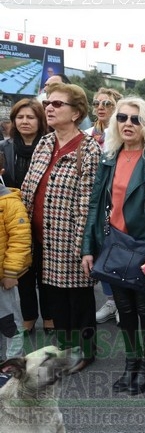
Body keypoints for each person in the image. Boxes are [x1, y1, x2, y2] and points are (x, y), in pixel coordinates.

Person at [81, 97, 145, 395]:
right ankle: (131, 363)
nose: (128, 124)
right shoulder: (109, 156)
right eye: (122, 118)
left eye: (135, 119)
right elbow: (96, 205)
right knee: (124, 308)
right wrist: (88, 247)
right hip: (114, 244)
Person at [21, 83, 102, 372]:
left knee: (78, 299)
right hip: (40, 236)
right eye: (48, 104)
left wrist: (85, 247)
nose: (50, 108)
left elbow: (87, 204)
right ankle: (66, 350)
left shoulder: (89, 149)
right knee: (54, 297)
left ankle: (86, 352)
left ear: (77, 112)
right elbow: (30, 187)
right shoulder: (44, 143)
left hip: (71, 238)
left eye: (58, 104)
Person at [3, 99, 52, 335]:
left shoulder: (50, 146)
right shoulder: (5, 147)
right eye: (20, 117)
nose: (24, 121)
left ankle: (50, 316)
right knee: (22, 270)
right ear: (13, 121)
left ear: (40, 121)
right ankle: (29, 317)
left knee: (46, 269)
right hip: (14, 219)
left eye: (30, 117)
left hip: (44, 217)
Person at [85, 87, 124, 325]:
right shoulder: (88, 133)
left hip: (116, 199)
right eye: (97, 103)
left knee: (117, 250)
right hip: (92, 199)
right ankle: (111, 300)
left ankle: (123, 302)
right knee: (99, 251)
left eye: (107, 104)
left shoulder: (122, 133)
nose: (100, 107)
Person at [0, 152, 31, 360]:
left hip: (3, 277)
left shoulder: (10, 203)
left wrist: (11, 272)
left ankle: (14, 361)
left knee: (8, 321)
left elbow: (20, 241)